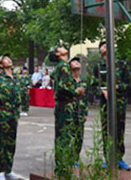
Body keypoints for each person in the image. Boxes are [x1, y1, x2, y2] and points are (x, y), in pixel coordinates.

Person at [93, 41, 131, 171]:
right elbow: (94, 85)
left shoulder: (121, 64)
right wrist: (102, 91)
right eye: (102, 46)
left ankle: (119, 158)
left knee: (119, 130)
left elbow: (128, 83)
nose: (105, 47)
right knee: (106, 130)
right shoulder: (98, 66)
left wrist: (116, 87)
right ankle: (108, 159)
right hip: (105, 104)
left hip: (119, 103)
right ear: (100, 51)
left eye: (107, 45)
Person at [49, 46, 85, 176]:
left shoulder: (60, 66)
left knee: (61, 137)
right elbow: (63, 87)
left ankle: (61, 168)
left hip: (61, 105)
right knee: (64, 137)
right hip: (65, 105)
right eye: (60, 48)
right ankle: (62, 170)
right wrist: (77, 91)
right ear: (59, 54)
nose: (64, 48)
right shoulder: (64, 66)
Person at [69, 57, 89, 166]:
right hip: (70, 112)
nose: (77, 62)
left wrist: (86, 113)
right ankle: (69, 158)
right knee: (70, 136)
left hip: (81, 112)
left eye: (78, 61)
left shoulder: (84, 80)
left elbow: (86, 98)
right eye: (73, 61)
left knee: (79, 136)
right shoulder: (67, 80)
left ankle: (76, 158)